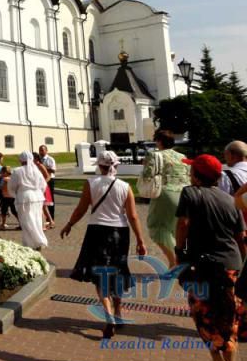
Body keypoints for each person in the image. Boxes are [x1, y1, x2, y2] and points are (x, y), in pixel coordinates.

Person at [61, 151, 147, 339]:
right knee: (117, 271)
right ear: (116, 166)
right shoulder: (125, 186)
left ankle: (109, 316)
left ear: (99, 166)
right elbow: (133, 216)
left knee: (100, 275)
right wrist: (140, 240)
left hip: (97, 231)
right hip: (120, 233)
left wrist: (69, 224)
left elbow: (81, 209)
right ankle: (119, 312)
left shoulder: (91, 183)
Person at [176, 154, 246, 361]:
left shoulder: (190, 192)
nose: (189, 174)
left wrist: (179, 251)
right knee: (228, 316)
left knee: (202, 313)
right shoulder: (231, 199)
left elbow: (182, 224)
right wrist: (241, 264)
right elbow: (241, 237)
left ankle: (217, 359)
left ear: (197, 176)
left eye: (191, 171)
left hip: (202, 267)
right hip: (230, 266)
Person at [140, 129, 190, 267]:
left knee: (158, 227)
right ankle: (178, 260)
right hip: (184, 195)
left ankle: (174, 261)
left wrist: (145, 165)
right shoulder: (182, 156)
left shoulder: (154, 155)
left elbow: (147, 176)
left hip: (165, 194)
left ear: (159, 141)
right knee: (175, 228)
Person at [6, 150, 48, 250]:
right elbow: (43, 185)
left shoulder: (17, 171)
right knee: (37, 219)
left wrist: (16, 194)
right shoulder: (36, 171)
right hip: (37, 197)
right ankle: (36, 241)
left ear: (21, 160)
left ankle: (34, 242)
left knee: (26, 221)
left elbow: (11, 186)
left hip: (24, 197)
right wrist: (38, 192)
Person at [34, 153, 55, 230]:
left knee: (43, 206)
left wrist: (42, 183)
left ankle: (49, 222)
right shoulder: (33, 166)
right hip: (37, 188)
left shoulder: (41, 166)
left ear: (36, 159)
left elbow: (48, 176)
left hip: (42, 187)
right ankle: (49, 222)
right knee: (43, 206)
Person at [39, 145, 57, 219]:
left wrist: (43, 168)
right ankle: (45, 217)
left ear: (46, 151)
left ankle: (51, 217)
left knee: (49, 199)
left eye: (42, 150)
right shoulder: (38, 160)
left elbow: (53, 170)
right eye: (40, 150)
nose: (41, 152)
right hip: (41, 180)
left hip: (49, 180)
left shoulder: (50, 159)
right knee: (42, 199)